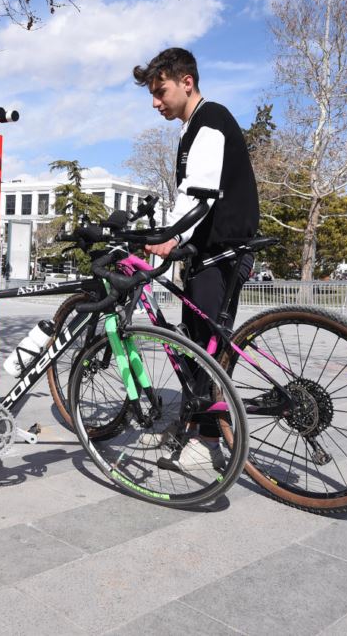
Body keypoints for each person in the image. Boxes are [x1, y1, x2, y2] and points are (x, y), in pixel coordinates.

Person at [132, 47, 260, 472]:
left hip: (224, 251)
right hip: (212, 253)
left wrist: (169, 238)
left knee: (204, 344)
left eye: (160, 90)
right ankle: (195, 422)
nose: (155, 102)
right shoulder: (193, 128)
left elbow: (198, 193)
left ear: (186, 82)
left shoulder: (210, 121)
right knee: (198, 339)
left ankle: (207, 439)